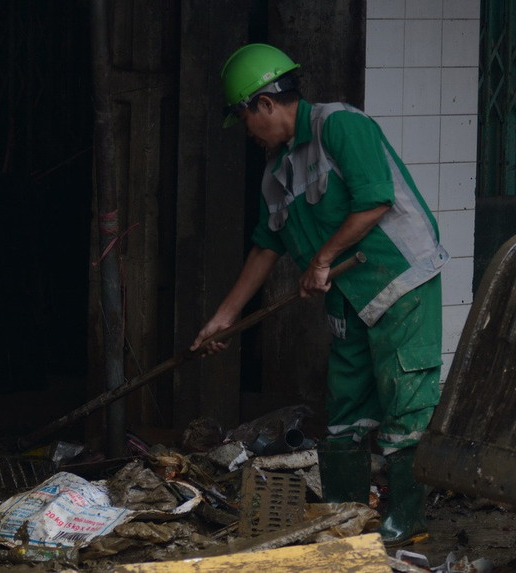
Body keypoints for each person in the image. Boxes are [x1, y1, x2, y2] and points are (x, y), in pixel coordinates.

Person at [190, 44, 448, 547]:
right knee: (346, 406)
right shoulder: (275, 172)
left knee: (405, 399)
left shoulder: (340, 125)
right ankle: (345, 514)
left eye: (244, 119)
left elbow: (374, 200)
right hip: (348, 295)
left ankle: (407, 518)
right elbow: (266, 246)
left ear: (265, 104)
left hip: (400, 280)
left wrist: (322, 260)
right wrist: (225, 317)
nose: (247, 132)